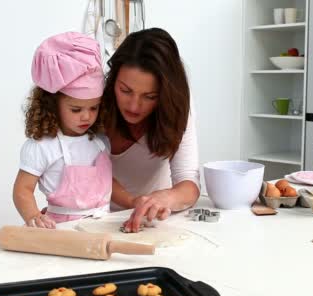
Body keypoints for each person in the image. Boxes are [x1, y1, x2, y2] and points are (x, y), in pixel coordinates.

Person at [102, 28, 200, 232]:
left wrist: (168, 197)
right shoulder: (93, 104)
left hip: (151, 221)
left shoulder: (177, 109)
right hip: (95, 218)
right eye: (125, 91)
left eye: (150, 96)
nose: (134, 106)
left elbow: (189, 182)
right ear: (113, 80)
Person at [13, 32, 111, 228]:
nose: (87, 116)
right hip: (61, 229)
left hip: (104, 223)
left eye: (94, 107)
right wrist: (34, 216)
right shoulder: (42, 146)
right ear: (52, 104)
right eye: (76, 109)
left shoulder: (101, 141)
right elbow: (22, 189)